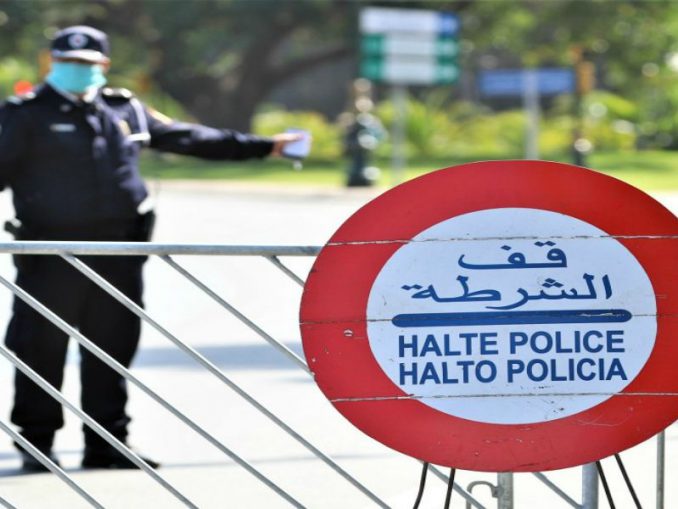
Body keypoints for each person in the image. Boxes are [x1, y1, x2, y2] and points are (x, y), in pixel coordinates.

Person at [0, 26, 301, 471]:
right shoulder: (23, 114)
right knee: (39, 347)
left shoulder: (125, 109)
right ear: (52, 63)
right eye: (68, 62)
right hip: (51, 256)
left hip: (119, 254)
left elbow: (189, 138)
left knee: (112, 347)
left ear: (103, 66)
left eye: (87, 63)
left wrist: (265, 147)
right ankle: (37, 444)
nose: (77, 69)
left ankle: (107, 443)